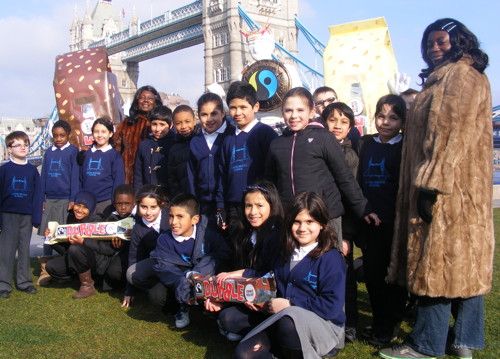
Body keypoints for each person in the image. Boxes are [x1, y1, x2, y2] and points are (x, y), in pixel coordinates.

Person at [380, 18, 493, 359]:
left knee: (436, 266)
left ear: (460, 41)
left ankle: (426, 344)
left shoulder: (458, 76)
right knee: (466, 265)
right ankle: (465, 342)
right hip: (464, 191)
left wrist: (431, 184)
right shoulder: (458, 76)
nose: (434, 47)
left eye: (442, 41)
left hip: (447, 191)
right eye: (429, 42)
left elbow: (449, 132)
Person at [234, 192, 346, 359]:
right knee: (244, 353)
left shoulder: (331, 258)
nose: (302, 228)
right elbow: (268, 276)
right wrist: (258, 296)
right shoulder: (285, 251)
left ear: (322, 224)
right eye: (296, 222)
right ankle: (284, 347)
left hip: (324, 325)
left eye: (310, 222)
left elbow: (331, 306)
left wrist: (290, 304)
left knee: (289, 320)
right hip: (282, 316)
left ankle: (313, 349)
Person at [265, 87, 379, 251]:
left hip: (327, 216)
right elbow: (270, 182)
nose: (294, 115)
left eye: (300, 110)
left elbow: (344, 177)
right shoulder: (276, 144)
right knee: (296, 266)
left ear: (311, 112)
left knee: (330, 265)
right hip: (293, 219)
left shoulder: (324, 138)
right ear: (282, 113)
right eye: (288, 110)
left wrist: (363, 208)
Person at [356, 94, 407, 346]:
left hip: (395, 224)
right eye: (381, 116)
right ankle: (378, 324)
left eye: (393, 117)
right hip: (369, 224)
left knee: (394, 279)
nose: (385, 122)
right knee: (374, 278)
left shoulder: (405, 146)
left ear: (402, 121)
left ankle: (390, 326)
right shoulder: (365, 144)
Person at [205, 181, 284, 341]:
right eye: (248, 206)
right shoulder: (247, 234)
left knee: (228, 318)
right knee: (210, 301)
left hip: (270, 300)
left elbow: (271, 278)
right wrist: (220, 295)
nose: (253, 212)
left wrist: (237, 277)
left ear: (272, 206)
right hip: (249, 293)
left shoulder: (278, 236)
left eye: (259, 205)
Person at [151, 193, 230, 329]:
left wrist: (199, 274)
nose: (173, 222)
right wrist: (185, 280)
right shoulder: (164, 239)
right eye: (171, 216)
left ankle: (220, 317)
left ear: (195, 219)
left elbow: (223, 254)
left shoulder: (209, 233)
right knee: (156, 294)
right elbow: (163, 267)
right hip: (181, 280)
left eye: (180, 216)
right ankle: (180, 308)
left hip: (206, 277)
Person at [321, 102, 360, 343]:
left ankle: (349, 323)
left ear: (350, 128)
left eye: (343, 122)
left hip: (341, 224)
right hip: (318, 223)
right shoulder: (315, 147)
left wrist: (347, 235)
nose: (337, 125)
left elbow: (352, 197)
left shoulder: (350, 156)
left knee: (344, 276)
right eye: (332, 120)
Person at [217, 81, 278, 231]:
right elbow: (221, 176)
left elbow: (274, 171)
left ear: (255, 107)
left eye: (243, 107)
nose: (238, 113)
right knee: (237, 250)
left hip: (260, 206)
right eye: (233, 108)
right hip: (234, 207)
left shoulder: (265, 134)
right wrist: (220, 208)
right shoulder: (227, 139)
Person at [0, 131, 42, 298]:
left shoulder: (32, 171)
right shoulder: (4, 170)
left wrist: (36, 218)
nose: (23, 147)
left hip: (26, 216)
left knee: (24, 249)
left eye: (25, 144)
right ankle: (3, 284)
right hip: (7, 214)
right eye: (18, 145)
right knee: (6, 250)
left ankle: (24, 282)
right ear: (9, 149)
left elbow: (38, 196)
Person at [37, 120, 79, 286]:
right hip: (50, 199)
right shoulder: (48, 152)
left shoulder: (73, 151)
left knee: (63, 235)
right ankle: (45, 270)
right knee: (48, 235)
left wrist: (73, 198)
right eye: (55, 135)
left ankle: (65, 268)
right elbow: (43, 177)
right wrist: (42, 199)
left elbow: (75, 176)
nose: (58, 138)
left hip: (65, 199)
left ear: (68, 135)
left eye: (62, 135)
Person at [44, 190, 103, 298]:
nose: (80, 210)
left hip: (94, 262)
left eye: (85, 207)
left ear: (91, 209)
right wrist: (51, 238)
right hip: (75, 256)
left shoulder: (97, 222)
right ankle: (80, 278)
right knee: (51, 266)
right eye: (77, 205)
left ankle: (88, 285)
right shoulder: (71, 218)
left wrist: (83, 242)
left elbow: (101, 249)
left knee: (75, 248)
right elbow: (66, 250)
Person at [187, 93, 234, 228]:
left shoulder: (232, 135)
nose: (209, 119)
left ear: (223, 113)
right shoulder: (196, 141)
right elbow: (191, 176)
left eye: (214, 114)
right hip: (204, 204)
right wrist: (193, 205)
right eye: (204, 114)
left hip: (227, 202)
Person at [123, 185, 170, 309]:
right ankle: (160, 287)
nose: (148, 212)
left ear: (161, 205)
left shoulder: (172, 217)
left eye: (153, 207)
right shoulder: (138, 228)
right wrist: (129, 291)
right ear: (137, 205)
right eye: (144, 207)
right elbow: (134, 258)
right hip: (156, 264)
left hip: (178, 262)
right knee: (131, 273)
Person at [114, 85, 162, 185]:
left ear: (155, 102)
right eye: (142, 98)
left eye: (150, 98)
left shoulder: (161, 125)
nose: (145, 101)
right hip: (128, 179)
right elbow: (114, 148)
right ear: (137, 100)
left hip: (153, 179)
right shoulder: (126, 123)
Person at [81, 118, 125, 217]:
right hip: (87, 202)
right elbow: (80, 179)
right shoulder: (86, 154)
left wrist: (115, 201)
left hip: (106, 202)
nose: (100, 135)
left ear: (110, 134)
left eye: (103, 132)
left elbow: (118, 180)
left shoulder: (114, 155)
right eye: (96, 132)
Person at [134, 105, 175, 192]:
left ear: (171, 125)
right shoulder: (144, 145)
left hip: (168, 194)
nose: (157, 129)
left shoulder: (174, 143)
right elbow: (138, 175)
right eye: (154, 124)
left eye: (162, 125)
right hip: (147, 193)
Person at [167, 105, 201, 199]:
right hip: (185, 198)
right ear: (173, 124)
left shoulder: (203, 140)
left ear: (194, 121)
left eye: (187, 121)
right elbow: (173, 179)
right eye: (178, 123)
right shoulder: (174, 148)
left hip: (205, 197)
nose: (184, 126)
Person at [313, 86, 360, 150]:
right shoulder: (311, 131)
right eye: (320, 103)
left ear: (338, 101)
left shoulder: (352, 131)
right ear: (315, 109)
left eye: (330, 100)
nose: (326, 105)